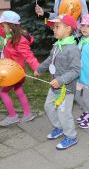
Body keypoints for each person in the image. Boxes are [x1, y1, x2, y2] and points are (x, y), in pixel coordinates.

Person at [35, 15, 80, 150]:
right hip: (54, 87)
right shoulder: (57, 45)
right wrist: (40, 68)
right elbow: (50, 60)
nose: (54, 29)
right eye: (54, 27)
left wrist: (61, 80)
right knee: (48, 107)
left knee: (64, 113)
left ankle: (71, 136)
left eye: (57, 27)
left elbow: (76, 70)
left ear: (68, 29)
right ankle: (59, 127)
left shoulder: (72, 48)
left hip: (66, 89)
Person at [0, 9, 40, 127]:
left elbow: (29, 56)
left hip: (14, 73)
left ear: (10, 27)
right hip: (17, 72)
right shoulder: (11, 35)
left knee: (3, 92)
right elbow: (0, 30)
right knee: (18, 91)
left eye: (4, 25)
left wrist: (37, 68)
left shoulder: (19, 41)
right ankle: (27, 114)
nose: (2, 27)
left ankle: (12, 116)